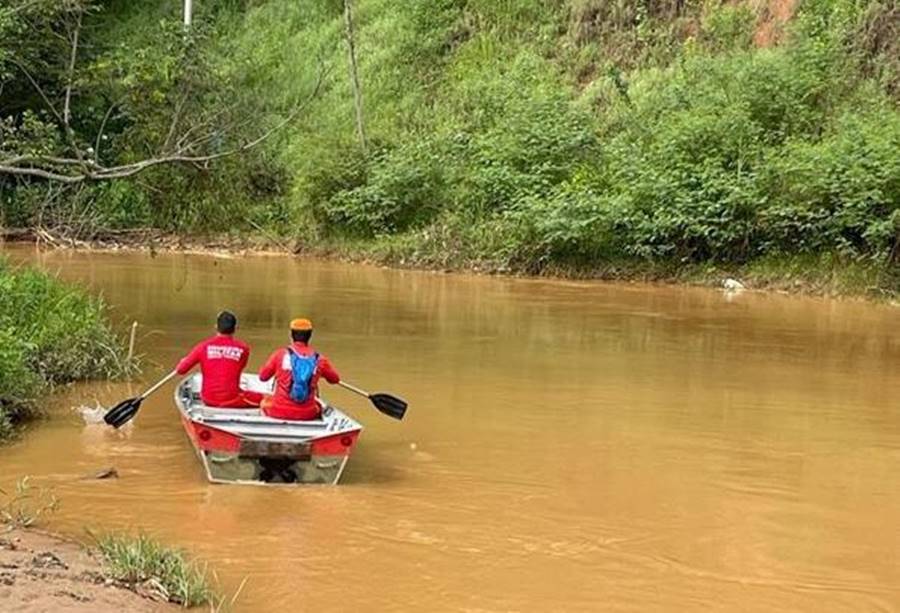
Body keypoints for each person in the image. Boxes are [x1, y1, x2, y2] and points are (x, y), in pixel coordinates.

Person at [175, 311, 262, 408]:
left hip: (208, 399)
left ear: (216, 327)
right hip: (233, 399)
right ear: (235, 328)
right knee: (266, 398)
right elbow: (240, 367)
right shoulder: (243, 348)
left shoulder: (203, 346)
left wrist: (183, 361)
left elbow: (181, 370)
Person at [258, 318, 340, 420]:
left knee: (265, 401)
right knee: (318, 405)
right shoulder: (320, 360)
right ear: (310, 336)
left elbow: (263, 377)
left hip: (278, 411)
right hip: (307, 414)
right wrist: (318, 373)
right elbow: (335, 379)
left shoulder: (279, 354)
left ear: (291, 335)